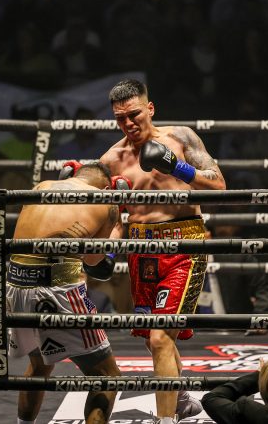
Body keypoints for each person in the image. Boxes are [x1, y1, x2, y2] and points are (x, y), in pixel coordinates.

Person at [100, 79, 226, 424]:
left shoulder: (181, 139)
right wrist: (106, 253)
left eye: (134, 114)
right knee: (155, 339)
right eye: (120, 118)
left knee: (159, 336)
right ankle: (181, 400)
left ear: (150, 108)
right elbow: (113, 215)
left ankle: (166, 420)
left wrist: (177, 166)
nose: (129, 123)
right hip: (141, 249)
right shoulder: (111, 160)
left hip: (184, 243)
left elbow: (218, 185)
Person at [7, 162, 122, 424]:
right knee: (107, 376)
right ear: (106, 186)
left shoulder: (42, 186)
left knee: (39, 365)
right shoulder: (106, 201)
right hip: (57, 287)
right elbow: (96, 263)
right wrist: (116, 230)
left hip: (14, 284)